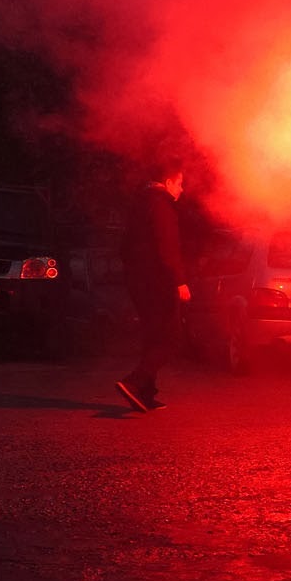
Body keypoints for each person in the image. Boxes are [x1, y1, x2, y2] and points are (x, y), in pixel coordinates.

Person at [115, 157, 190, 412]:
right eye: (180, 183)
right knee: (171, 338)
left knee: (152, 335)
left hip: (139, 281)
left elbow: (124, 247)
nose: (182, 189)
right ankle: (134, 383)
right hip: (158, 281)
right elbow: (167, 247)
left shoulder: (140, 203)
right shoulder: (161, 206)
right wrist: (179, 281)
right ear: (168, 182)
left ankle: (145, 394)